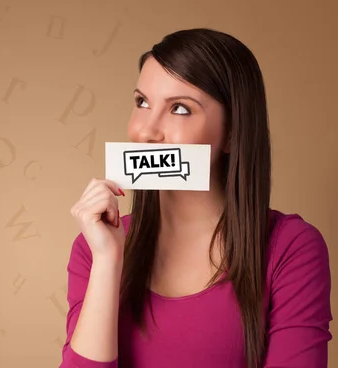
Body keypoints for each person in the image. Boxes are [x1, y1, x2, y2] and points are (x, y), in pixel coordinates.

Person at [59, 28, 332, 368]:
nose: (146, 131)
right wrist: (107, 261)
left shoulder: (290, 247)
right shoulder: (95, 248)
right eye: (142, 102)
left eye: (180, 109)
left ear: (232, 133)